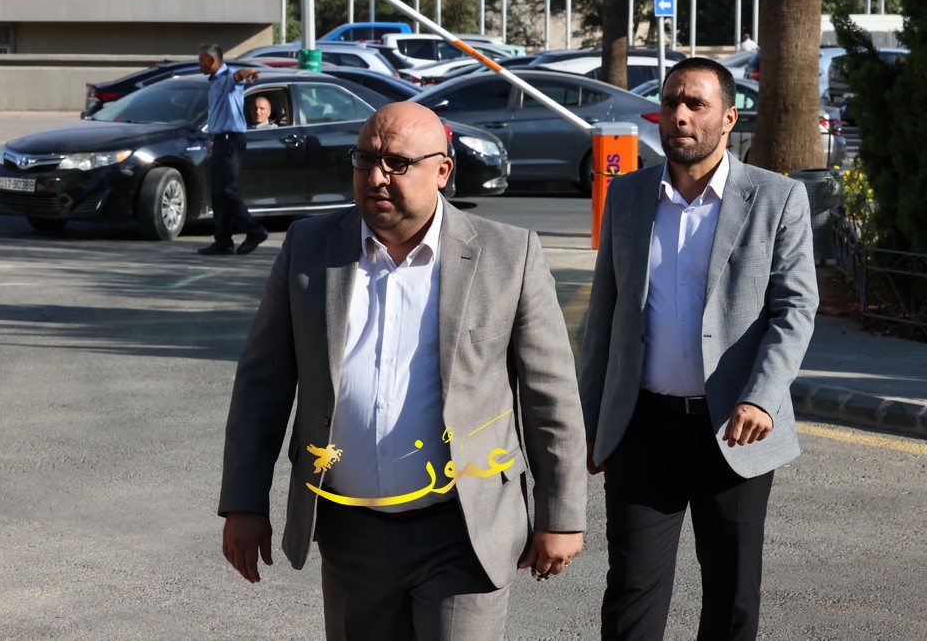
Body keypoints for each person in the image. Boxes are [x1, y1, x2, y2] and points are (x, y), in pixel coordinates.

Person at [219, 101, 588, 640]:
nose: (376, 177)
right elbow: (262, 385)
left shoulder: (509, 255)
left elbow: (549, 395)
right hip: (350, 534)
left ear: (442, 170)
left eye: (397, 163)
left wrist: (562, 514)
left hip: (463, 528)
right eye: (365, 159)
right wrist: (244, 502)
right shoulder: (309, 248)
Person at [578, 57, 818, 641]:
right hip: (642, 428)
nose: (679, 116)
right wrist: (588, 422)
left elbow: (795, 311)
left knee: (732, 595)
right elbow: (603, 318)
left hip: (734, 429)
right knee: (631, 589)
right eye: (671, 103)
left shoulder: (776, 197)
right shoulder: (628, 195)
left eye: (696, 105)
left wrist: (761, 397)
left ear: (728, 118)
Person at [197, 43, 269, 256]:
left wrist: (249, 73)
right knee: (217, 194)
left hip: (232, 141)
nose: (199, 64)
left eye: (201, 60)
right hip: (221, 140)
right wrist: (214, 140)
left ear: (212, 60)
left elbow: (239, 75)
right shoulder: (215, 81)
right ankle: (223, 241)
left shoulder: (228, 77)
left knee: (226, 191)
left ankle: (255, 230)